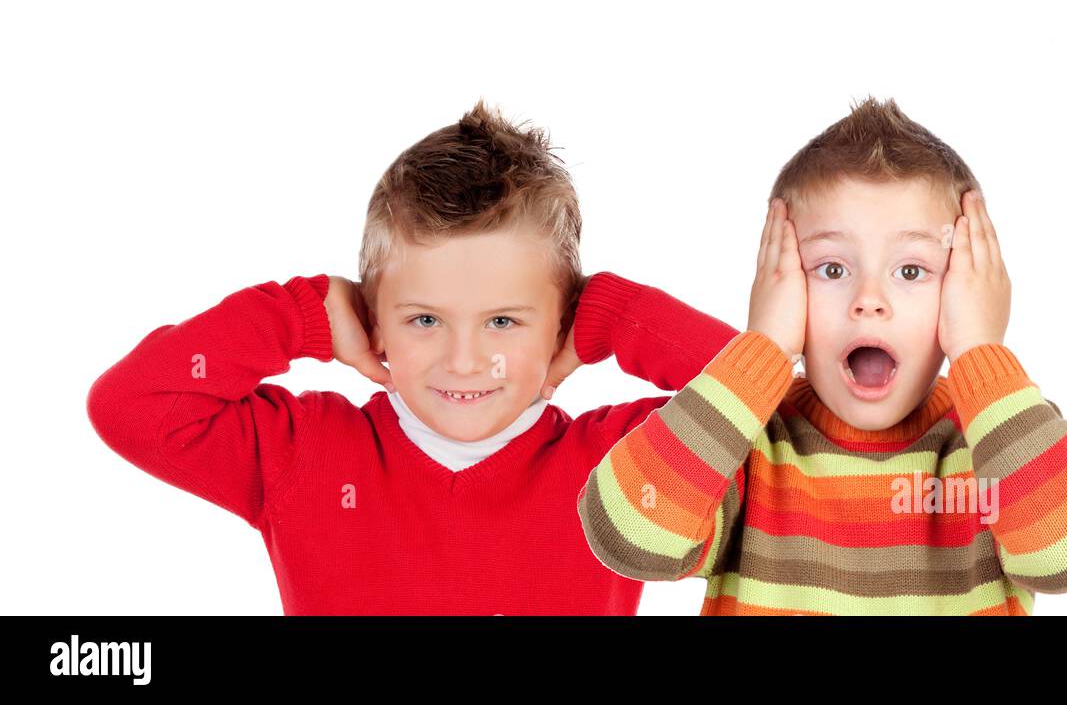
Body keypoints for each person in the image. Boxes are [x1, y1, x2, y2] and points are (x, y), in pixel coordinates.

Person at [86, 101, 738, 615]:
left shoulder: (619, 464)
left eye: (502, 321)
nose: (462, 360)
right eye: (425, 319)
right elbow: (131, 406)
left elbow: (777, 417)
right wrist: (301, 315)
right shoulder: (303, 452)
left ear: (560, 324)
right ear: (373, 321)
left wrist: (612, 316)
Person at [577, 97, 1067, 614]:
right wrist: (763, 348)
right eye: (832, 269)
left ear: (966, 288)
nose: (869, 302)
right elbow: (630, 536)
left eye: (911, 271)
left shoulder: (1000, 441)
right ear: (782, 285)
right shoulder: (743, 444)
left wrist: (980, 351)